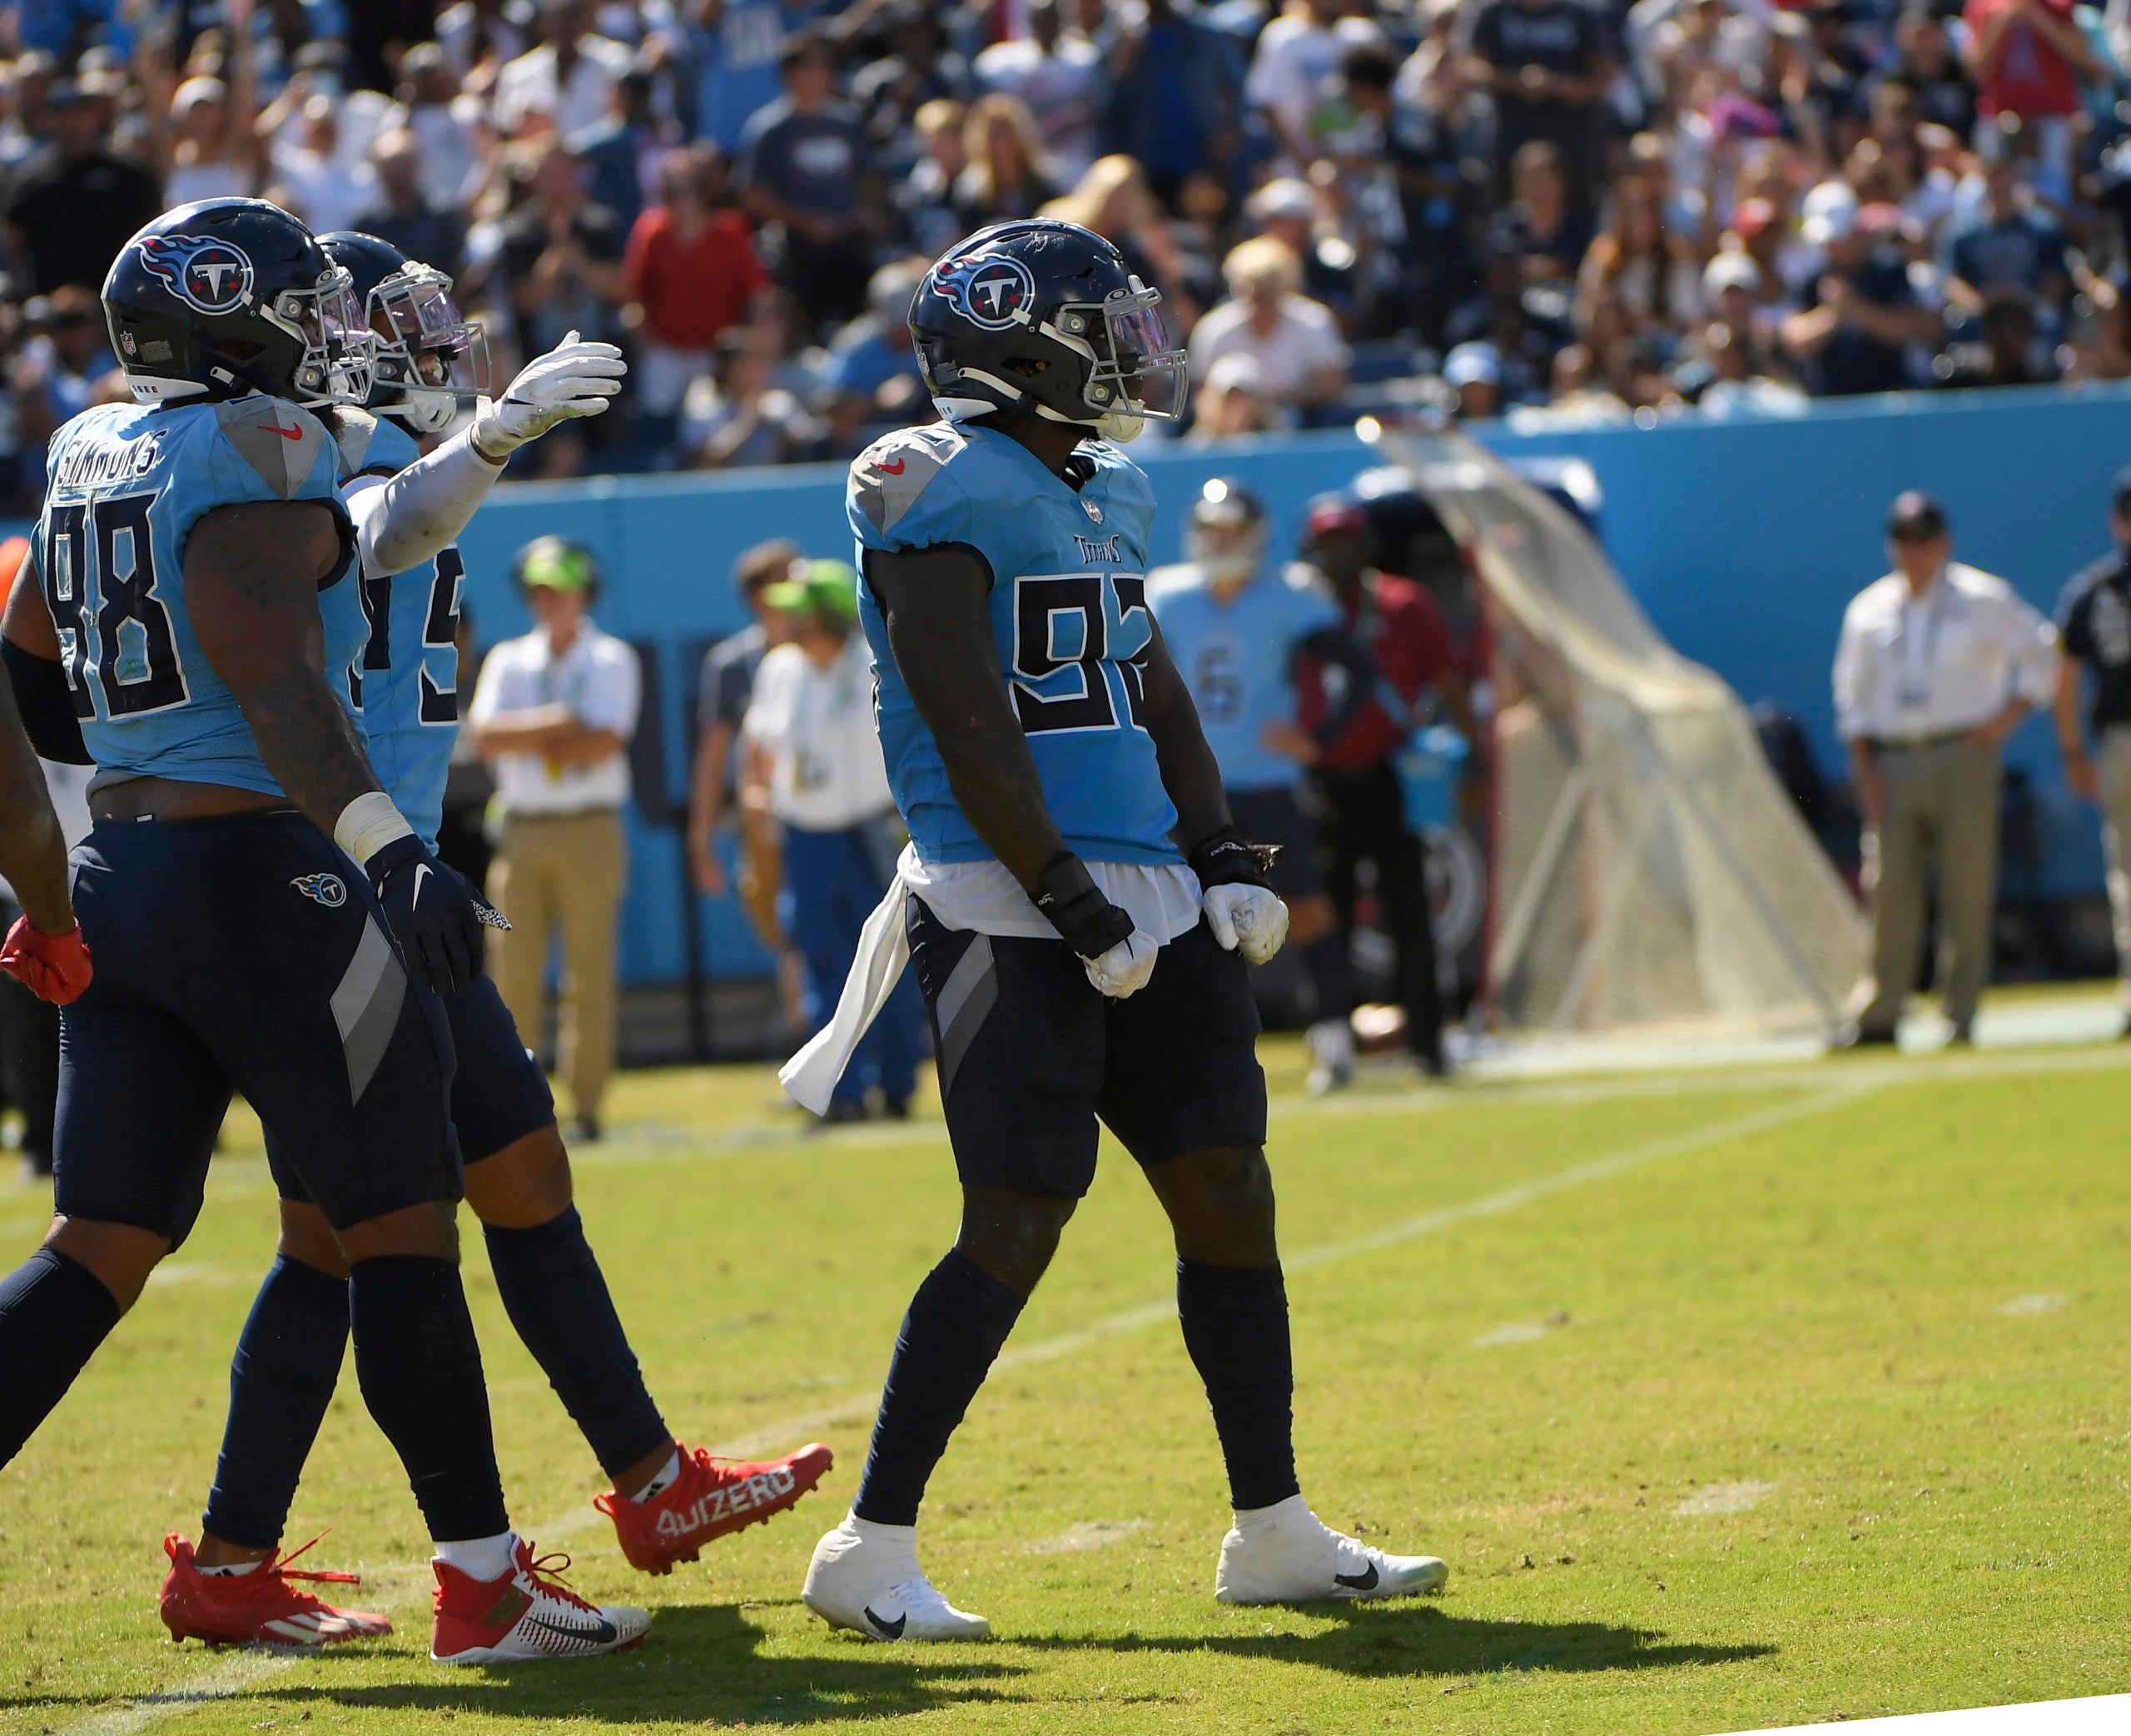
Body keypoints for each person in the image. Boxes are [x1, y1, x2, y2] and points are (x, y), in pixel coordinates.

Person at [155, 231, 830, 1649]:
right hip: (330, 883)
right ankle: (313, 1560)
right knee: (349, 1239)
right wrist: (492, 435)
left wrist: (481, 436)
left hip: (395, 881)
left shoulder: (379, 448)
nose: (434, 343)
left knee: (510, 1173)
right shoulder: (294, 458)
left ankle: (645, 1481)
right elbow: (386, 523)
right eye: (397, 325)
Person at [0, 196, 645, 1664]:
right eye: (301, 307)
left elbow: (29, 672)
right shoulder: (260, 446)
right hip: (268, 881)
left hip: (128, 871)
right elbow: (279, 677)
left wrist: (74, 843)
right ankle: (484, 1587)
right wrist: (388, 849)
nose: (326, 333)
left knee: (97, 1240)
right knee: (397, 1223)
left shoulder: (86, 450)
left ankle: (342, 1565)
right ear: (232, 320)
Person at [788, 219, 1448, 1642]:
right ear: (1018, 345)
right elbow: (965, 713)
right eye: (1105, 328)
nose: (1136, 354)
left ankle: (1271, 1526)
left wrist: (1219, 851)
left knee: (1227, 1181)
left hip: (1146, 885)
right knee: (1019, 1211)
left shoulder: (1114, 490)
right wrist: (1067, 897)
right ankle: (869, 1545)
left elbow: (1145, 688)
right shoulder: (926, 480)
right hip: (998, 893)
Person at [1148, 479, 1377, 1092]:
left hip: (1268, 780)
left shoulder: (1288, 595)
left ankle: (1333, 1036)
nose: (1223, 543)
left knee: (1304, 908)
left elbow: (1356, 669)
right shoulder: (1166, 596)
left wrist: (1318, 738)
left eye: (1233, 531)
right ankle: (1187, 1048)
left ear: (1254, 537)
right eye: (1213, 531)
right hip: (1190, 786)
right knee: (1179, 919)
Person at [1834, 492, 2061, 1045]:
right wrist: (1863, 770)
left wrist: (2002, 722)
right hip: (1892, 758)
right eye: (1905, 540)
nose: (1915, 551)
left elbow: (2044, 656)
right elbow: (1852, 697)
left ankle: (1959, 1013)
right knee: (1889, 890)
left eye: (1925, 539)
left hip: (1963, 754)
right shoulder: (1868, 610)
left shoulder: (1982, 597)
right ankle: (1882, 1010)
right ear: (1892, 545)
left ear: (1945, 543)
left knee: (1966, 887)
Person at [1294, 495, 1473, 1078]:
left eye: (1346, 542)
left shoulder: (1403, 604)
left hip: (1387, 776)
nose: (1337, 555)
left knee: (1409, 911)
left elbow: (1447, 683)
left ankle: (1429, 1043)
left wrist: (1474, 760)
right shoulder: (1292, 608)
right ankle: (1334, 1045)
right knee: (1326, 919)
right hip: (1317, 782)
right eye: (1328, 544)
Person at [469, 537, 641, 1142]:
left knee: (588, 975)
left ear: (583, 591)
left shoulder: (611, 657)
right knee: (510, 972)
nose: (548, 601)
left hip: (590, 826)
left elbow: (605, 744)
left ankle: (586, 1108)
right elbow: (486, 738)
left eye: (559, 588)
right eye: (538, 590)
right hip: (522, 829)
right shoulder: (511, 659)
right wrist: (565, 723)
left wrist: (531, 736)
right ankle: (516, 1108)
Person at [740, 559, 923, 1123]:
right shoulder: (779, 668)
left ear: (836, 617)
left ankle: (896, 1085)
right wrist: (757, 797)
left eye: (803, 616)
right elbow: (758, 743)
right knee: (821, 959)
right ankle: (839, 1093)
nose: (791, 626)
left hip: (874, 830)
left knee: (888, 959)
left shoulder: (877, 663)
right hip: (806, 835)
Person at [2052, 469, 2131, 1026]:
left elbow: (2064, 680)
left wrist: (2073, 751)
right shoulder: (2091, 589)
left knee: (2127, 872)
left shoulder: (2092, 588)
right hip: (2118, 738)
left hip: (2119, 739)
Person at [737, 32, 880, 336]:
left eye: (826, 66)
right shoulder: (770, 130)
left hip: (849, 246)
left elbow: (867, 176)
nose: (823, 75)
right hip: (797, 251)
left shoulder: (847, 122)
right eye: (813, 67)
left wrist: (866, 213)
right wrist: (809, 223)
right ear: (792, 74)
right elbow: (753, 194)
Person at [690, 538, 798, 935]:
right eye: (782, 583)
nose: (796, 593)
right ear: (756, 597)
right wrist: (701, 840)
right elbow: (713, 755)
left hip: (831, 814)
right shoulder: (730, 665)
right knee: (786, 936)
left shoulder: (832, 650)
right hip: (761, 820)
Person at [1187, 236, 1350, 422]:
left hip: (1298, 426)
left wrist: (1280, 397)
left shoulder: (1312, 322)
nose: (1259, 304)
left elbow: (1333, 385)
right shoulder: (1215, 330)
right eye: (1252, 294)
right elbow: (1201, 395)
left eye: (1268, 293)